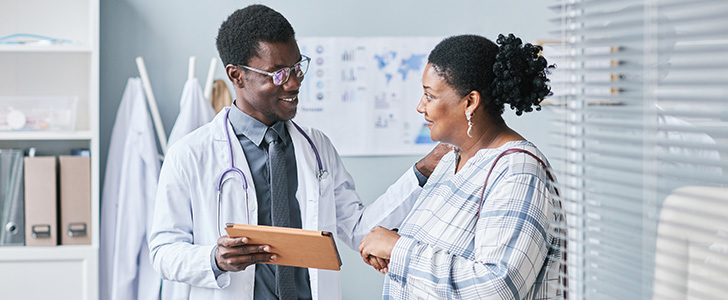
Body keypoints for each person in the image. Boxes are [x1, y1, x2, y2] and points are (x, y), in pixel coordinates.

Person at [148, 5, 448, 300]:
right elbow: (163, 252)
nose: (293, 83)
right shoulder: (189, 154)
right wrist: (214, 258)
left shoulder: (316, 146)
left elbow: (359, 229)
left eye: (296, 68)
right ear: (237, 75)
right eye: (277, 74)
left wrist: (423, 169)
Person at [358, 34, 566, 299]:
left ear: (470, 102)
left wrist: (399, 250)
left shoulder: (519, 171)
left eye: (429, 96)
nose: (420, 106)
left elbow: (496, 287)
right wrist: (393, 252)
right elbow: (451, 248)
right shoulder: (451, 160)